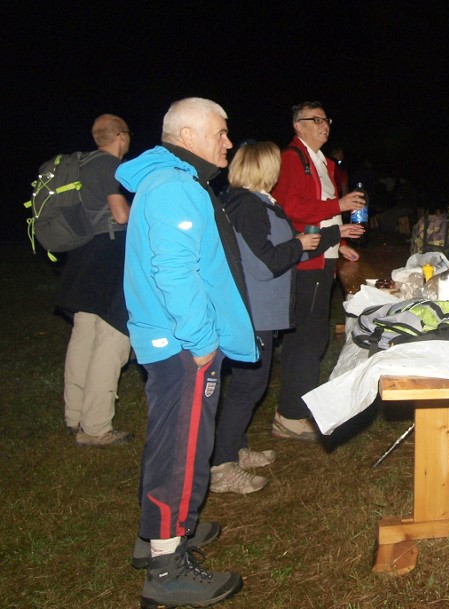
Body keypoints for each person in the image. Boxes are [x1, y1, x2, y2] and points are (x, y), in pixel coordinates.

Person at [117, 97, 256, 608]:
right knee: (183, 450)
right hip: (182, 344)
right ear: (189, 134)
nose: (227, 141)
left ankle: (158, 535)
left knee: (171, 440)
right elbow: (173, 272)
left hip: (172, 340)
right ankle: (167, 569)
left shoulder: (172, 181)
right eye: (220, 132)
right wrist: (201, 341)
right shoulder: (175, 186)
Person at [212, 142, 363, 494]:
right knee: (248, 387)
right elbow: (266, 263)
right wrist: (298, 246)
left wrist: (332, 235)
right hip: (255, 311)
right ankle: (221, 466)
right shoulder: (248, 205)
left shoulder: (258, 201)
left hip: (263, 309)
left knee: (250, 385)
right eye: (275, 165)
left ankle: (234, 446)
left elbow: (292, 241)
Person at [270, 102, 365, 440]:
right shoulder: (291, 158)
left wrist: (338, 243)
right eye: (317, 119)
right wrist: (338, 205)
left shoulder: (322, 162)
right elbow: (289, 207)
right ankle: (290, 416)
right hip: (305, 260)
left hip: (322, 256)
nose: (325, 125)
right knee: (305, 339)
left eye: (327, 119)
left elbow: (321, 215)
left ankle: (300, 407)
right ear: (299, 126)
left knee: (315, 336)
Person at [54, 114, 132, 447]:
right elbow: (121, 215)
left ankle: (74, 415)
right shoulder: (109, 166)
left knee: (83, 336)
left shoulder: (81, 165)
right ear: (121, 136)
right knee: (113, 337)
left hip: (81, 258)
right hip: (109, 258)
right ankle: (97, 426)